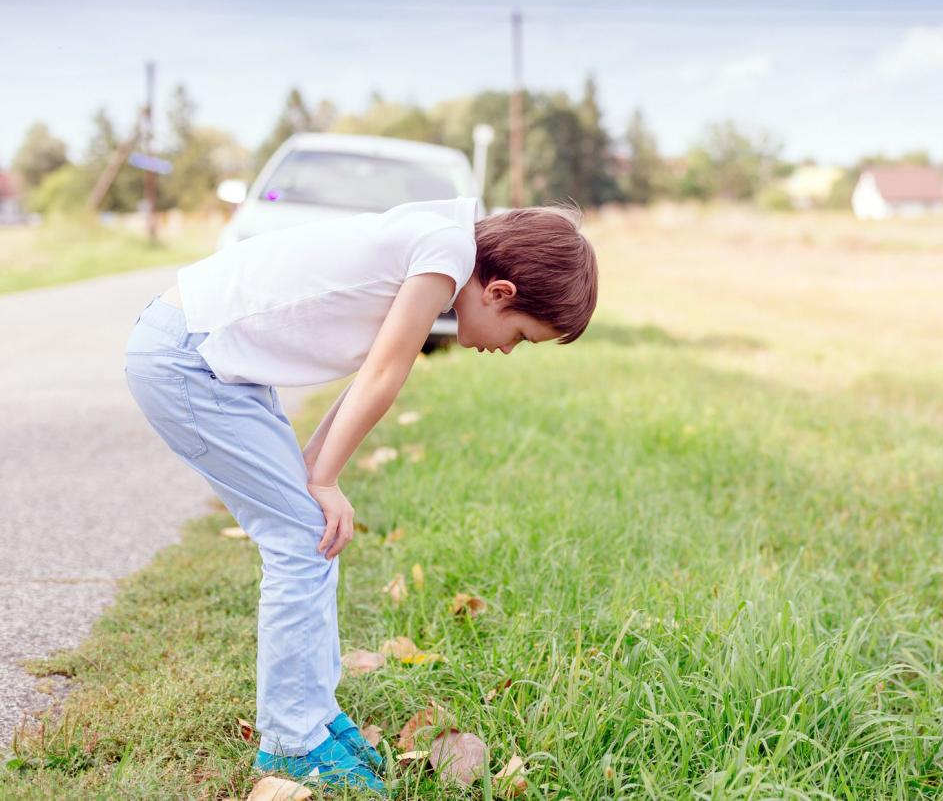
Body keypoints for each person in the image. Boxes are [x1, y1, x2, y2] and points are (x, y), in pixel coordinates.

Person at [122, 196, 598, 794]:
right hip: (187, 358)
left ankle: (314, 718)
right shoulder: (446, 253)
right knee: (302, 536)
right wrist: (321, 483)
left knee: (311, 529)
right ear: (500, 292)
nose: (506, 350)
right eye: (522, 337)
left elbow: (368, 370)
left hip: (213, 360)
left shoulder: (444, 242)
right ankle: (293, 743)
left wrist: (318, 472)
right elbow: (382, 377)